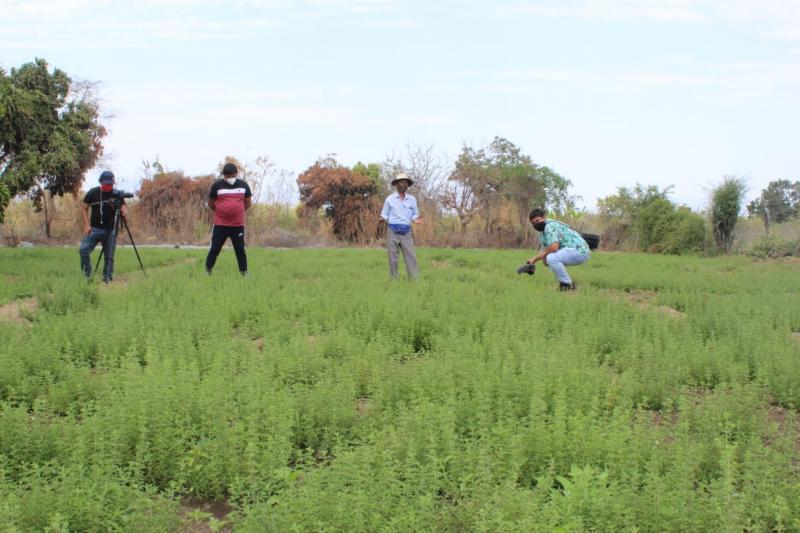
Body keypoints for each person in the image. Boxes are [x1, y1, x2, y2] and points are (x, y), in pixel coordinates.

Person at [80, 170, 127, 283]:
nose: (109, 186)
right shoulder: (93, 192)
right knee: (83, 250)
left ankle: (107, 278)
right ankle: (87, 275)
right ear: (101, 182)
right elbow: (83, 208)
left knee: (109, 255)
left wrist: (123, 210)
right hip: (94, 229)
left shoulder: (117, 194)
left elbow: (124, 206)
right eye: (106, 184)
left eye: (111, 184)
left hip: (111, 230)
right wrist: (86, 225)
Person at [526, 208, 590, 291]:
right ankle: (568, 284)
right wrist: (533, 263)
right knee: (549, 260)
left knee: (551, 258)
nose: (536, 224)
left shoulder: (550, 226)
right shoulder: (542, 233)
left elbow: (553, 247)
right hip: (573, 251)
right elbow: (545, 253)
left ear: (544, 217)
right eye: (533, 223)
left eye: (537, 221)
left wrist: (534, 259)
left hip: (580, 250)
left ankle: (566, 285)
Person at [206, 162, 252, 275]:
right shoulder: (217, 186)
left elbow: (248, 203)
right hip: (220, 225)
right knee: (215, 249)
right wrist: (222, 212)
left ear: (236, 174)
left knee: (240, 250)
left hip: (237, 225)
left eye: (233, 176)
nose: (230, 178)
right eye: (228, 176)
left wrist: (237, 212)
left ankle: (244, 273)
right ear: (224, 175)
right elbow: (211, 204)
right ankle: (208, 270)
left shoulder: (244, 185)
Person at [380, 173, 422, 279]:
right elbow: (384, 213)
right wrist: (383, 218)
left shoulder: (412, 199)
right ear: (396, 185)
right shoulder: (390, 199)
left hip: (407, 231)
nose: (403, 185)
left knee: (411, 257)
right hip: (392, 230)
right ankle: (394, 279)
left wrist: (416, 219)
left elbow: (414, 214)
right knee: (393, 258)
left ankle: (414, 280)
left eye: (405, 183)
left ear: (408, 185)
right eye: (401, 182)